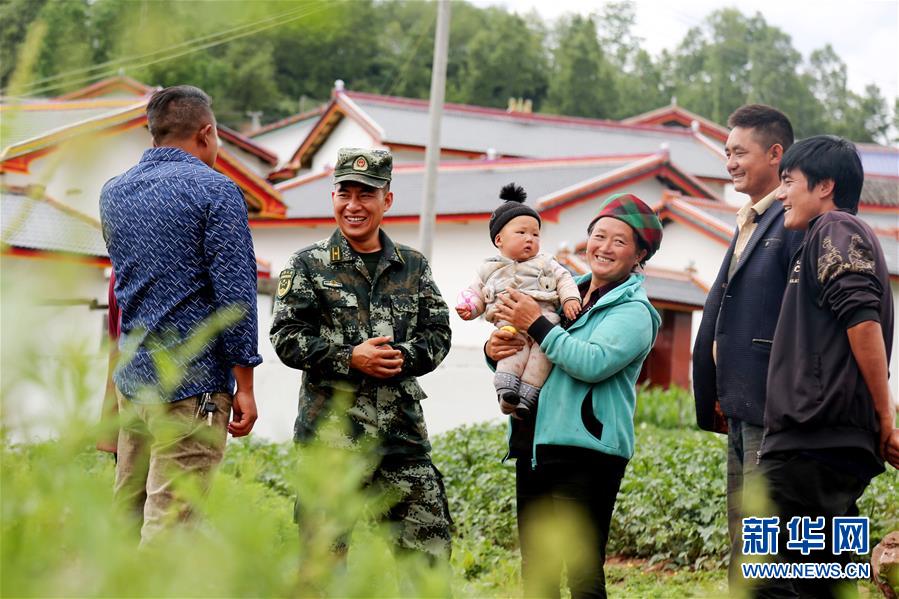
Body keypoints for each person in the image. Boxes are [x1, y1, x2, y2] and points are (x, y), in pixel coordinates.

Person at [269, 147, 453, 560]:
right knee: (323, 567)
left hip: (401, 440)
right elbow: (285, 335)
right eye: (344, 193)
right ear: (333, 198)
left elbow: (438, 333)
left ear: (387, 200)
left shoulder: (413, 266)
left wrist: (404, 358)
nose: (354, 205)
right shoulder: (307, 266)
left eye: (366, 194)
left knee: (428, 561)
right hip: (331, 441)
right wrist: (350, 357)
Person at [100, 85, 261, 543]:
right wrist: (245, 385)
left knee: (126, 517)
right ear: (207, 132)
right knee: (171, 526)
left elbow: (125, 288)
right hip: (192, 388)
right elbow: (235, 296)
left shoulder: (114, 193)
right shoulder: (217, 191)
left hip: (133, 384)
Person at [488, 193, 663, 599]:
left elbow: (590, 362)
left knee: (582, 576)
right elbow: (533, 353)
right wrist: (494, 351)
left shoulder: (634, 312)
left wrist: (536, 324)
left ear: (640, 254)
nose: (604, 247)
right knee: (538, 573)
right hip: (535, 444)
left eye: (619, 241)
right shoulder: (561, 294)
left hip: (588, 454)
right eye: (598, 235)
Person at [757, 135, 895, 598]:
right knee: (824, 579)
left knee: (776, 581)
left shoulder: (836, 228)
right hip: (823, 444)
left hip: (814, 441)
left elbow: (862, 321)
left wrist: (886, 415)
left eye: (788, 181)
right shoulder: (819, 239)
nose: (780, 194)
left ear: (825, 186)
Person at [691, 104, 802, 584]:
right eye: (726, 153)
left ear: (775, 153)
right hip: (737, 402)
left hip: (770, 403)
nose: (729, 162)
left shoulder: (797, 219)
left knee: (767, 535)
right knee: (744, 530)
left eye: (740, 152)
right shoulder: (750, 217)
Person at [456, 182, 580, 418]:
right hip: (510, 326)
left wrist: (570, 299)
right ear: (499, 239)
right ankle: (506, 393)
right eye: (521, 233)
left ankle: (525, 398)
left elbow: (564, 278)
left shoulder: (546, 262)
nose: (530, 239)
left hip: (546, 324)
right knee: (511, 352)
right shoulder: (489, 268)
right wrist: (469, 308)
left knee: (541, 359)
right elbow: (477, 292)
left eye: (535, 234)